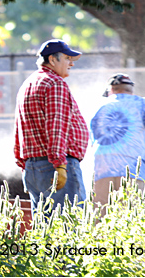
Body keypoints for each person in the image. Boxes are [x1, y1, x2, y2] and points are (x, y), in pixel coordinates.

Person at [14, 39, 89, 215]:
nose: (71, 63)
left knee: (44, 228)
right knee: (69, 226)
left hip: (34, 167)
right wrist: (60, 165)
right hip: (55, 165)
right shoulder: (54, 83)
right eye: (67, 58)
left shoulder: (28, 84)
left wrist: (23, 163)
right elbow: (56, 125)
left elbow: (19, 127)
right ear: (53, 60)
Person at [91, 73, 145, 207]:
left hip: (101, 170)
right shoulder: (141, 103)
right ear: (131, 91)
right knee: (131, 218)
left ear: (111, 90)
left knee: (100, 219)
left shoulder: (99, 105)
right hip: (133, 170)